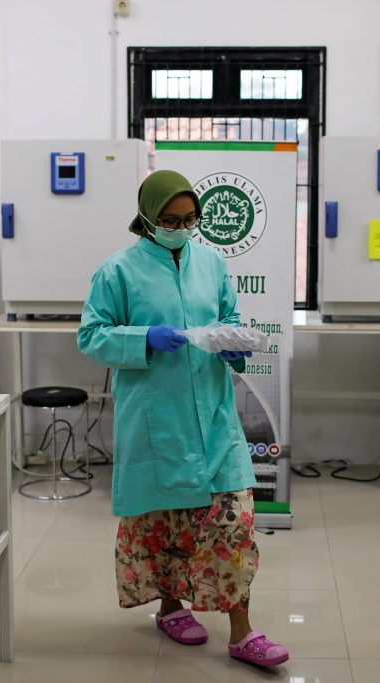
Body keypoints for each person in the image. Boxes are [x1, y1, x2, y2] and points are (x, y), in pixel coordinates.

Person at [77, 170, 289, 667]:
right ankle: (171, 608)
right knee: (163, 524)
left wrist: (235, 346)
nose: (181, 227)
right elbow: (90, 336)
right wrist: (143, 338)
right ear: (147, 219)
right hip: (157, 418)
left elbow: (228, 317)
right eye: (170, 220)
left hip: (213, 415)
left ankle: (242, 632)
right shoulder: (118, 271)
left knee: (233, 522)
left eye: (190, 219)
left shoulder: (211, 263)